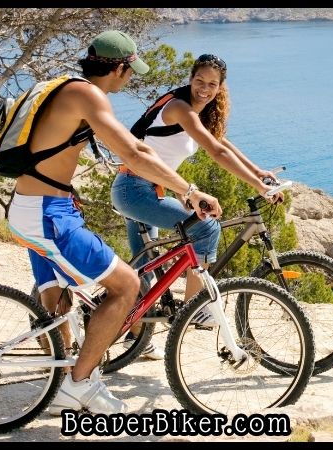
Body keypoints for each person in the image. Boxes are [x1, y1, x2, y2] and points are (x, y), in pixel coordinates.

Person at [7, 30, 221, 415]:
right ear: (119, 67)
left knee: (57, 292)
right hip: (46, 213)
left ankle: (59, 379)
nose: (131, 77)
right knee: (127, 285)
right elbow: (134, 152)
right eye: (130, 70)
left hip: (30, 205)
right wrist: (189, 191)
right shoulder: (88, 95)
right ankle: (78, 385)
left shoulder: (63, 86)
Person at [110, 53, 284, 359]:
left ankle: (134, 339)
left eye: (212, 84)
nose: (204, 88)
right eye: (199, 81)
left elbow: (222, 142)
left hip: (145, 188)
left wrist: (257, 172)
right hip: (135, 190)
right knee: (205, 228)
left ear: (220, 87)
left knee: (143, 273)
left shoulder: (197, 111)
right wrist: (258, 188)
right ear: (191, 79)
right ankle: (194, 310)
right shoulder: (179, 108)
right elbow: (215, 151)